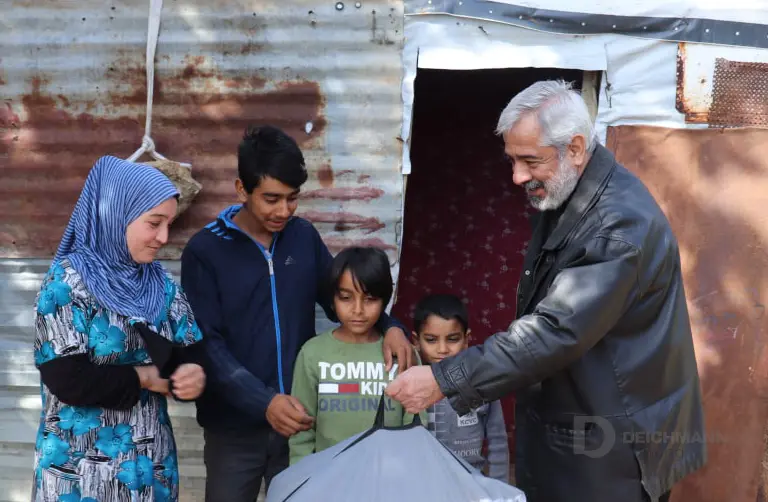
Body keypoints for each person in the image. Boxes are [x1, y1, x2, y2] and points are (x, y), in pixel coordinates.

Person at [386, 80, 706, 502]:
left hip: (613, 451)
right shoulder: (567, 192)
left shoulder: (618, 225)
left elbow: (555, 330)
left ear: (575, 148)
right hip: (580, 431)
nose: (517, 176)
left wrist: (445, 378)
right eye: (512, 160)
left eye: (530, 161)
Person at [180, 125, 414, 501]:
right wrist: (264, 401)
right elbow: (207, 345)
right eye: (271, 198)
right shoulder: (206, 251)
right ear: (242, 190)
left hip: (301, 425)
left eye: (292, 199)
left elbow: (340, 297)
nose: (283, 211)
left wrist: (392, 326)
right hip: (234, 430)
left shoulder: (302, 237)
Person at [31, 156, 207, 502]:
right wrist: (144, 377)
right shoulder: (67, 284)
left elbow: (190, 352)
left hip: (149, 470)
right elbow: (68, 380)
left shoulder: (159, 283)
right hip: (79, 474)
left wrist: (194, 374)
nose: (163, 237)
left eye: (169, 224)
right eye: (154, 223)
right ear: (116, 216)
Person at [288, 247, 427, 465]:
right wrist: (303, 481)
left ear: (384, 301)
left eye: (370, 299)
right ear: (332, 299)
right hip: (328, 480)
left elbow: (416, 426)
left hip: (391, 478)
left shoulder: (402, 353)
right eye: (346, 297)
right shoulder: (312, 354)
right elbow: (302, 434)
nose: (358, 309)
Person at [411, 293, 509, 483]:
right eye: (431, 340)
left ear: (466, 339)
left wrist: (500, 489)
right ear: (416, 340)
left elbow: (497, 442)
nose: (442, 349)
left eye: (452, 339)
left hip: (470, 484)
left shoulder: (482, 382)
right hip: (423, 486)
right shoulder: (412, 385)